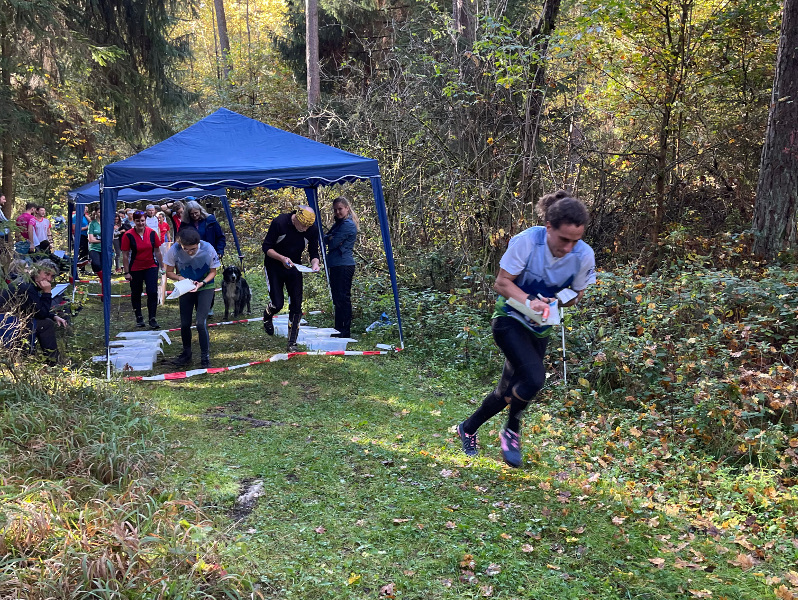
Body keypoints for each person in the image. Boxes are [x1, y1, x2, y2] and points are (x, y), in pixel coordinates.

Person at [457, 191, 596, 468]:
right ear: (549, 228)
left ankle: (468, 428)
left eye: (575, 241)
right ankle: (511, 431)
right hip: (509, 319)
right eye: (563, 239)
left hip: (540, 328)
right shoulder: (526, 242)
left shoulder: (583, 255)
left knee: (506, 391)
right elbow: (502, 283)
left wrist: (556, 300)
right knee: (534, 378)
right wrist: (531, 301)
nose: (568, 247)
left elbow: (577, 292)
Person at [262, 205, 320, 352]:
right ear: (296, 219)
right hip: (274, 265)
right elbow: (266, 247)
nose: (305, 229)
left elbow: (314, 252)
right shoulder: (280, 222)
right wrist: (281, 258)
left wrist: (315, 264)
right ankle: (268, 314)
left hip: (295, 267)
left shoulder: (312, 229)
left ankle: (292, 342)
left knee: (296, 304)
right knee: (278, 303)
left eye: (308, 226)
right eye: (303, 225)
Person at [163, 227, 220, 368]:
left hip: (205, 286)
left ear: (198, 244)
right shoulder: (174, 250)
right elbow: (168, 272)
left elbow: (213, 271)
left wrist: (202, 283)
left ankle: (205, 357)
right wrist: (181, 278)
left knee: (201, 323)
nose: (189, 252)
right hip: (186, 286)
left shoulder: (208, 249)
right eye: (186, 249)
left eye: (193, 249)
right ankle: (186, 353)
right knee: (184, 323)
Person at [0, 259, 67, 364]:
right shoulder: (27, 287)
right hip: (6, 324)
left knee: (46, 321)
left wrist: (53, 316)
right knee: (46, 324)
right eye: (46, 274)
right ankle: (54, 362)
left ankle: (52, 360)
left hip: (11, 320)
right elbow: (41, 314)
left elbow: (34, 308)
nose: (49, 279)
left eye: (52, 276)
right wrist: (47, 293)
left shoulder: (28, 283)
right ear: (36, 271)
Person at [121, 210, 163, 329]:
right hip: (135, 267)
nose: (140, 223)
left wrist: (163, 266)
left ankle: (152, 318)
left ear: (146, 221)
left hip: (151, 266)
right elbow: (125, 255)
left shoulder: (152, 233)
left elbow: (158, 251)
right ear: (134, 221)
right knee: (136, 292)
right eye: (138, 221)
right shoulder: (128, 235)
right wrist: (127, 272)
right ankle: (139, 317)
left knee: (152, 291)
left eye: (142, 220)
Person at [325, 197, 359, 338]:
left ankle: (345, 330)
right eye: (335, 209)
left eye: (340, 209)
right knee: (337, 298)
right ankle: (338, 328)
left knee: (343, 298)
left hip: (344, 265)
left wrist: (332, 239)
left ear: (347, 208)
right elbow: (326, 239)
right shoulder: (338, 224)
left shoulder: (348, 225)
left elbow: (332, 243)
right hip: (336, 264)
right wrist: (331, 238)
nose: (337, 212)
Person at [86, 205, 103, 280]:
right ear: (96, 213)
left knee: (105, 266)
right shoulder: (92, 224)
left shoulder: (107, 223)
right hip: (94, 248)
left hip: (105, 249)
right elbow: (91, 239)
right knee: (96, 264)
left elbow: (111, 238)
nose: (101, 213)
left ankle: (104, 281)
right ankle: (102, 278)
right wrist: (101, 240)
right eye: (99, 212)